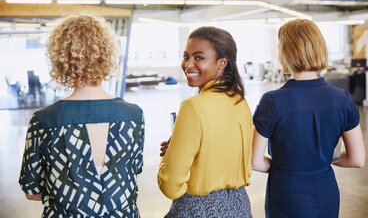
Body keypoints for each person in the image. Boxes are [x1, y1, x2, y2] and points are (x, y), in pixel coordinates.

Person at [19, 15, 145, 217]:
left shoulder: (44, 121)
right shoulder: (133, 116)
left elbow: (32, 191)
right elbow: (132, 172)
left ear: (60, 58)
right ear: (107, 55)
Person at [252, 19, 365, 218]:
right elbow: (357, 160)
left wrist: (284, 168)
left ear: (287, 52)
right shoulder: (343, 99)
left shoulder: (272, 102)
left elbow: (255, 161)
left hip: (286, 192)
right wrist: (321, 161)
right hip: (326, 190)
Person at [158, 26, 253, 217]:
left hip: (197, 209)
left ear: (222, 63)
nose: (188, 64)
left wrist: (168, 158)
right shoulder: (240, 103)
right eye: (186, 56)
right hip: (239, 206)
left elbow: (171, 186)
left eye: (199, 57)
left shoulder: (193, 107)